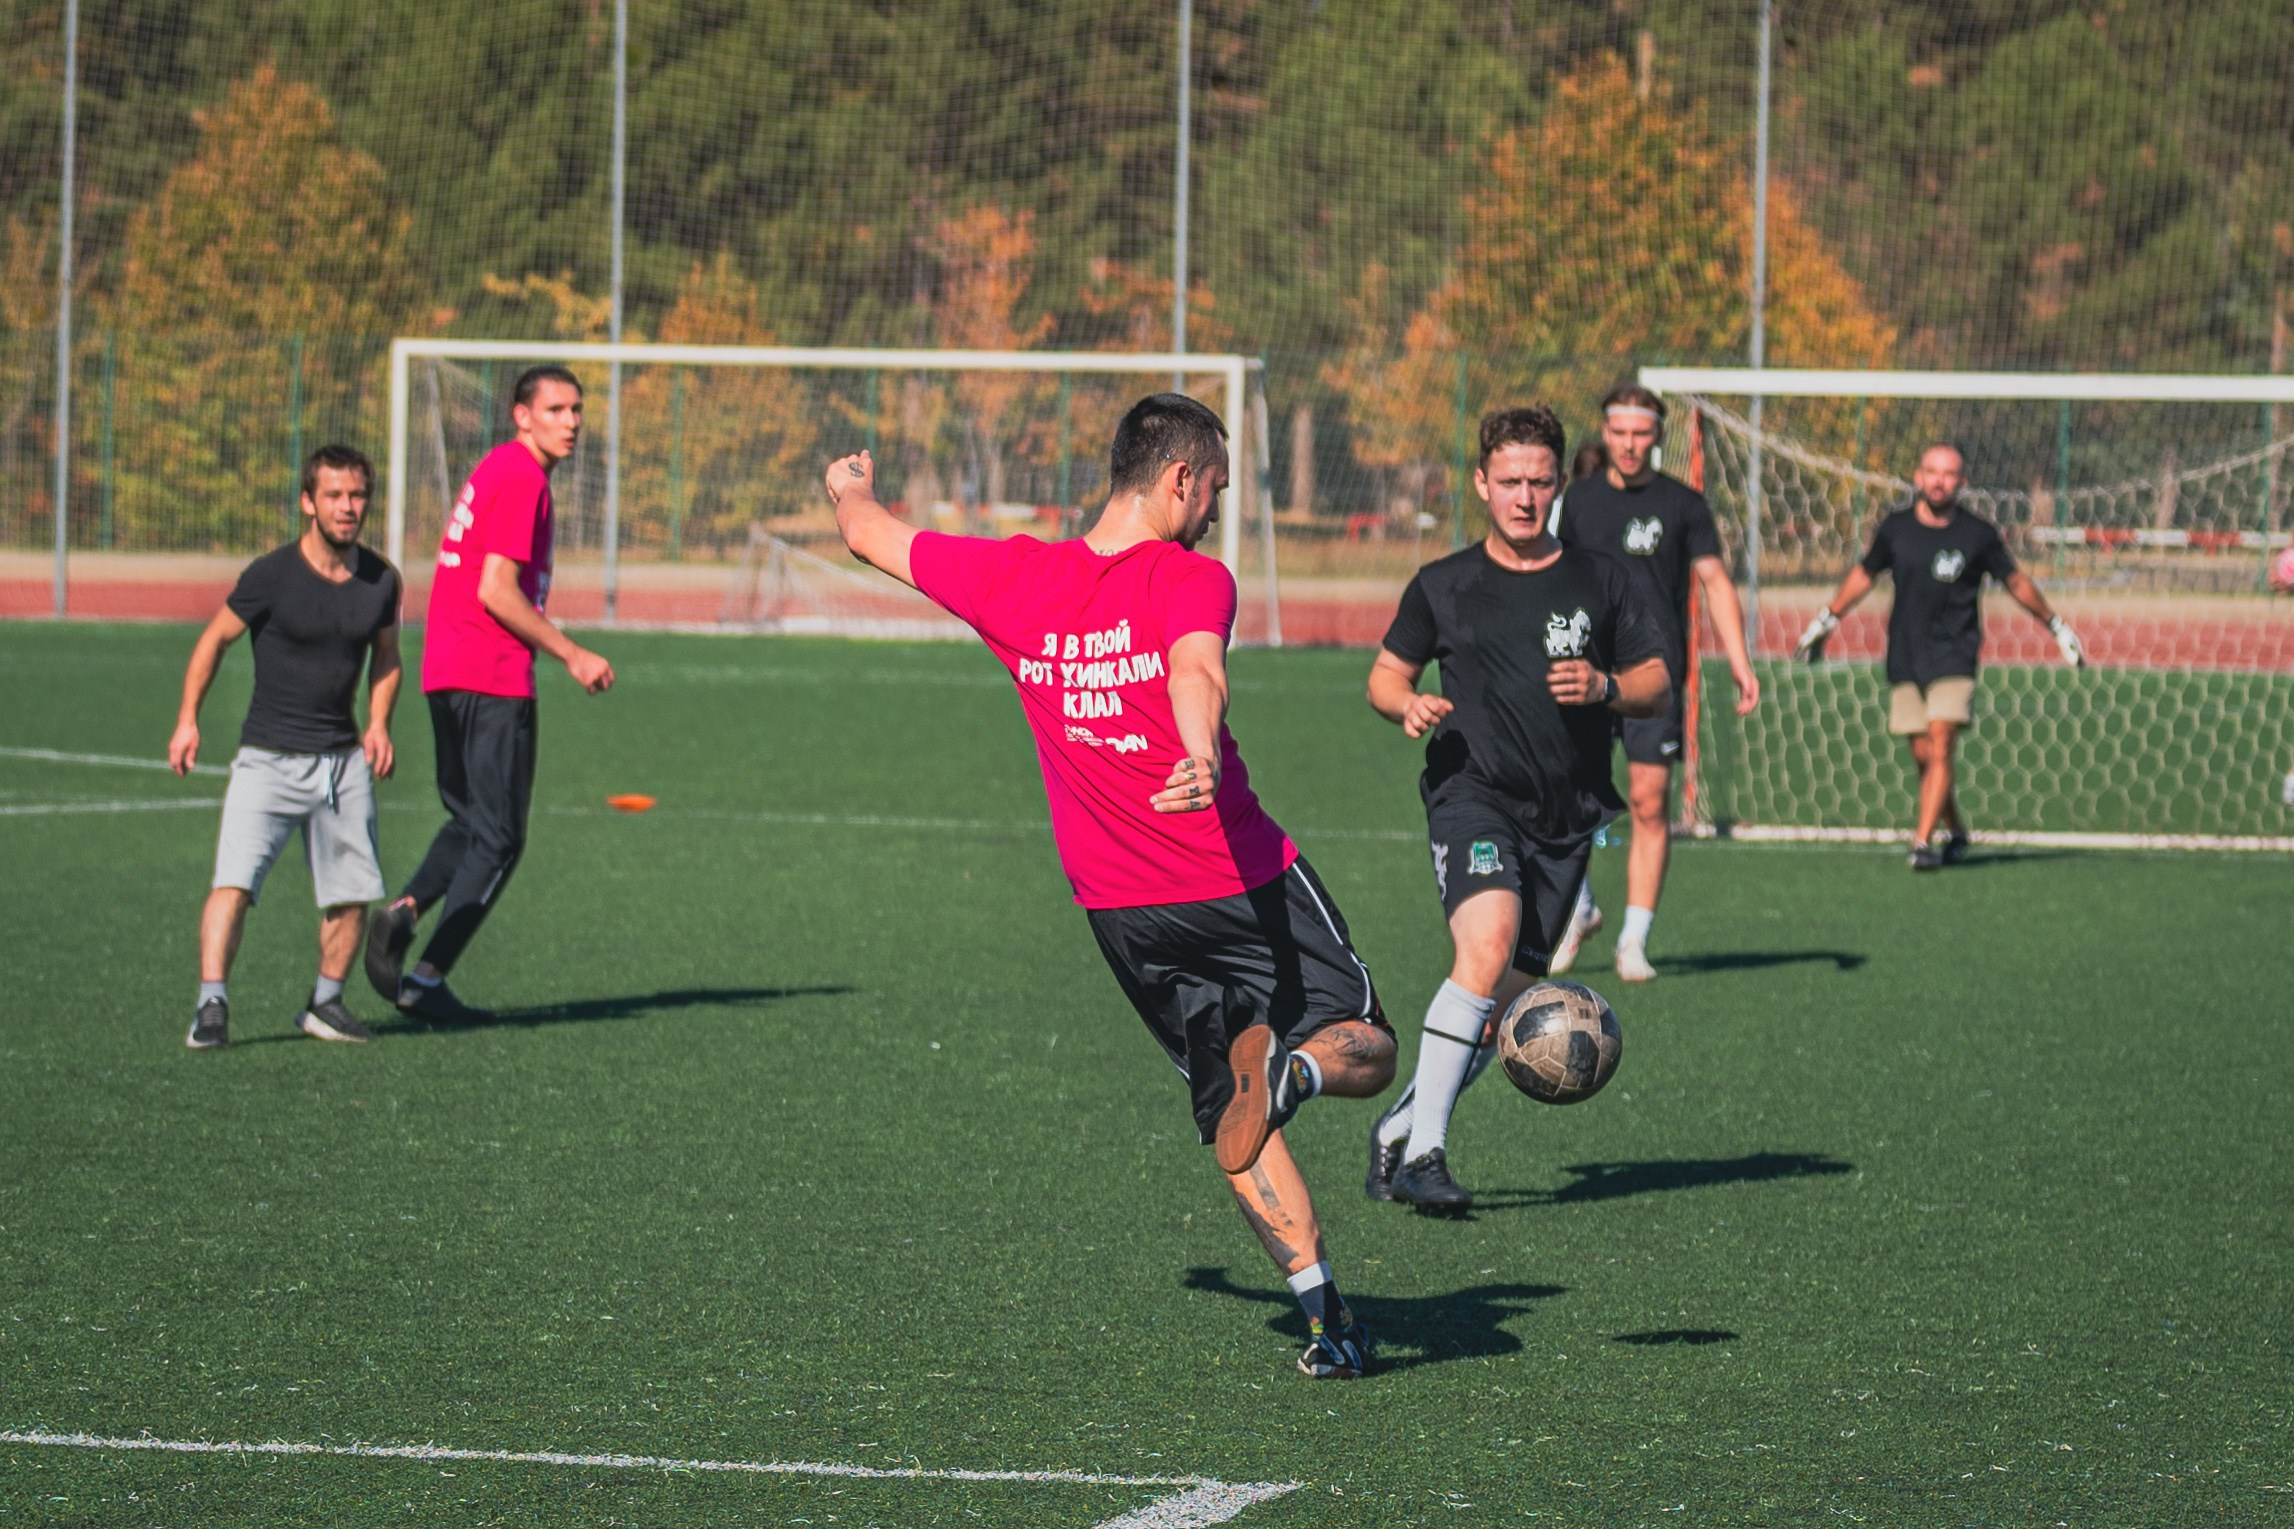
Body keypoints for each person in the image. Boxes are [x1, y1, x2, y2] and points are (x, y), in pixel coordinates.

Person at [828, 394, 1397, 1380]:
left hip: (1123, 914)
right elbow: (1195, 669)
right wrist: (1194, 749)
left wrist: (849, 487)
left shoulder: (1012, 577)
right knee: (1369, 1046)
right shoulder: (1187, 576)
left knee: (1233, 1116)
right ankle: (1300, 1071)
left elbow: (869, 536)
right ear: (1179, 478)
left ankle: (1325, 1317)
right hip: (1235, 879)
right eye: (1214, 485)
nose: (1215, 505)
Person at [1365, 406, 1669, 1212]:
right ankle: (1427, 1154)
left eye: (1540, 481)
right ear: (1481, 484)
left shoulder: (1605, 579)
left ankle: (1399, 1130)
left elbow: (1655, 684)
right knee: (1486, 946)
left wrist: (1606, 686)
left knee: (1503, 1008)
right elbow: (1384, 676)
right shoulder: (1443, 583)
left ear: (1561, 481)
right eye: (1509, 482)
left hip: (1567, 819)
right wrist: (1406, 706)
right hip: (1473, 794)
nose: (1524, 497)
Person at [363, 365, 616, 1020]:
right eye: (556, 408)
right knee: (501, 838)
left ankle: (403, 911)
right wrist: (572, 652)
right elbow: (495, 590)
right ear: (521, 415)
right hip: (491, 673)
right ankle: (424, 978)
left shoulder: (499, 468)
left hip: (447, 669)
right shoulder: (522, 476)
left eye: (577, 410)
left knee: (472, 821)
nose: (572, 422)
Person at [169, 445, 403, 1049]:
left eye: (356, 496)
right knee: (234, 884)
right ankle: (211, 1004)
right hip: (267, 759)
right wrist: (188, 719)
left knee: (352, 894)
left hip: (341, 764)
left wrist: (378, 723)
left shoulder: (381, 580)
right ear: (308, 503)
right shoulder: (271, 575)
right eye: (333, 496)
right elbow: (214, 641)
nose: (347, 507)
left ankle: (326, 1003)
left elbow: (387, 657)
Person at [1550, 385, 1759, 982]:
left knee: (1648, 802)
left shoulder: (1684, 505)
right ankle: (1580, 909)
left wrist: (1741, 662)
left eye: (1641, 434)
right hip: (1583, 672)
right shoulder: (1576, 501)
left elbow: (1715, 583)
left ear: (1658, 436)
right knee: (1564, 799)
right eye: (1619, 432)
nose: (1630, 444)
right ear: (1606, 432)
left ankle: (1632, 941)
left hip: (1653, 676)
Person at [1795, 442, 2085, 869]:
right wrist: (1826, 618)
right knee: (1924, 756)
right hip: (1906, 655)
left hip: (1955, 654)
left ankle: (1922, 843)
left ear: (1962, 483)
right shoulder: (1896, 529)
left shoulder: (1978, 534)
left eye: (1948, 474)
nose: (1939, 480)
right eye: (1931, 471)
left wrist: (2056, 625)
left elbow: (2016, 582)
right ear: (1917, 476)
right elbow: (1864, 575)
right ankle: (1957, 830)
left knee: (1943, 741)